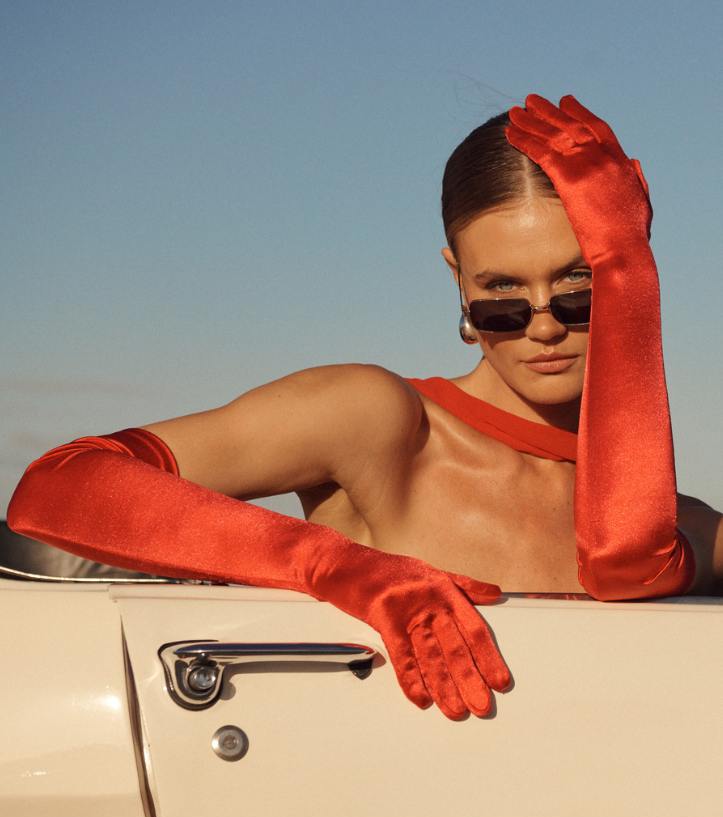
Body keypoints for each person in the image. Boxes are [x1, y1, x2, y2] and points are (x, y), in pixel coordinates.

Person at [8, 94, 723, 721]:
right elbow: (58, 487)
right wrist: (334, 566)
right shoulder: (384, 423)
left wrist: (626, 263)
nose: (542, 326)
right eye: (501, 294)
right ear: (457, 279)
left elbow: (621, 562)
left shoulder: (683, 525)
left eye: (578, 287)